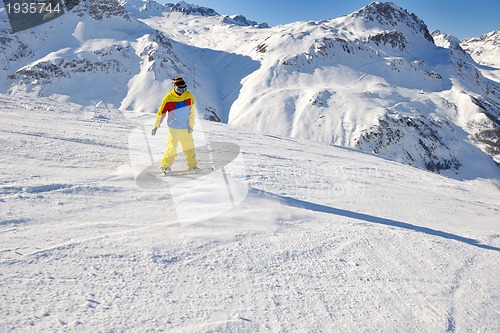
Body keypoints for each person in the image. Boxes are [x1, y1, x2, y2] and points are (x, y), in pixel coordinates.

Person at [151, 76, 199, 174]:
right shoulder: (168, 98)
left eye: (184, 88)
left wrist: (191, 125)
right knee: (171, 149)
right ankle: (165, 167)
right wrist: (156, 125)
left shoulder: (188, 96)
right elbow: (161, 113)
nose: (183, 91)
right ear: (175, 87)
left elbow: (192, 112)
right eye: (181, 89)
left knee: (189, 148)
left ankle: (192, 167)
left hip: (186, 128)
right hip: (174, 129)